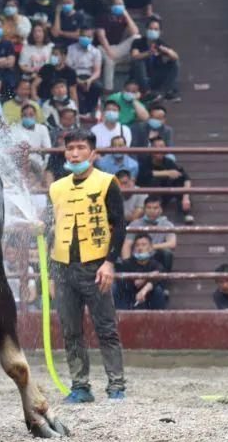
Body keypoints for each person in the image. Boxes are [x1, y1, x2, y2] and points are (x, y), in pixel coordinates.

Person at [47, 128, 126, 402]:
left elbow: (119, 226)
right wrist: (51, 274)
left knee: (106, 327)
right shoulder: (56, 188)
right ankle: (80, 386)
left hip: (96, 267)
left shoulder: (107, 182)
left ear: (93, 153)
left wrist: (109, 262)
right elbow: (50, 231)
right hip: (63, 267)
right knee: (70, 330)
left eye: (81, 147)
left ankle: (116, 386)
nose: (75, 153)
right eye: (70, 148)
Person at [137, 137, 193, 223]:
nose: (159, 149)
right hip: (149, 196)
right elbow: (146, 174)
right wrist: (167, 172)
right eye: (156, 147)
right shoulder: (144, 161)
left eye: (162, 146)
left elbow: (185, 177)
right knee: (154, 180)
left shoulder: (168, 162)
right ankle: (156, 214)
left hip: (165, 195)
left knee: (178, 181)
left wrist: (186, 197)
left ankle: (187, 212)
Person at [129, 17, 180, 100]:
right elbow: (134, 56)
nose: (153, 31)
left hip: (155, 75)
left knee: (174, 63)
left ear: (160, 32)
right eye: (151, 29)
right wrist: (148, 53)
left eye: (156, 29)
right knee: (139, 63)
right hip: (141, 77)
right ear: (146, 30)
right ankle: (146, 92)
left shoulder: (160, 43)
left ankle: (167, 91)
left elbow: (175, 56)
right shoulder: (138, 42)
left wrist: (167, 51)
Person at [115, 233, 168, 309]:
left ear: (150, 248)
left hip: (148, 298)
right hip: (129, 298)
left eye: (144, 245)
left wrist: (144, 288)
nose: (140, 248)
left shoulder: (156, 264)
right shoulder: (126, 264)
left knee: (158, 290)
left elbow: (158, 276)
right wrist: (149, 276)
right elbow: (127, 283)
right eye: (137, 245)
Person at [95, 0, 141, 84]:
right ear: (111, 6)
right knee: (109, 60)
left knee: (137, 38)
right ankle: (108, 90)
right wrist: (109, 52)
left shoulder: (123, 19)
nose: (118, 6)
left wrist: (126, 15)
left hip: (118, 48)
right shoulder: (103, 17)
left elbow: (135, 32)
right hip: (102, 48)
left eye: (120, 4)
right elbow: (101, 37)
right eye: (116, 4)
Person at [124, 195, 177, 269]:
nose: (152, 211)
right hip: (138, 257)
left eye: (155, 208)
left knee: (167, 253)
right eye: (149, 208)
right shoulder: (135, 223)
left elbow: (172, 244)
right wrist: (127, 264)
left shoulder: (167, 224)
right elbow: (127, 245)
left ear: (161, 209)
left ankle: (164, 278)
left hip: (155, 258)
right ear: (144, 209)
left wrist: (151, 247)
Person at [10, 103, 52, 186]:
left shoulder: (42, 128)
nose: (28, 117)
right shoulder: (14, 128)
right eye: (25, 115)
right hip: (18, 163)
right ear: (21, 116)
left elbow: (48, 148)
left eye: (31, 114)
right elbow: (12, 148)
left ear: (35, 115)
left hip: (38, 163)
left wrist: (33, 149)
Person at [66, 27, 103, 115]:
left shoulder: (96, 51)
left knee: (97, 86)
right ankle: (79, 111)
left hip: (89, 76)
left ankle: (91, 110)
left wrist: (89, 81)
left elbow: (97, 71)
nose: (86, 38)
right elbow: (68, 67)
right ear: (79, 36)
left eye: (89, 36)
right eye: (84, 36)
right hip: (73, 75)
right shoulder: (70, 49)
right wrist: (78, 81)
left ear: (92, 37)